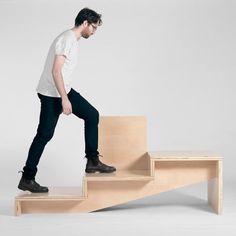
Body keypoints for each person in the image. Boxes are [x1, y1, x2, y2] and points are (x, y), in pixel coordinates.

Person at [18, 8, 116, 193]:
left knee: (92, 115)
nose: (94, 32)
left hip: (63, 89)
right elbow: (56, 71)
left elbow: (60, 73)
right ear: (85, 23)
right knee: (44, 135)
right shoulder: (67, 39)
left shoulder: (72, 40)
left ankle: (92, 161)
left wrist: (66, 94)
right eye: (94, 27)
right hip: (51, 94)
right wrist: (65, 99)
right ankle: (27, 178)